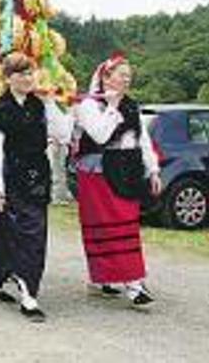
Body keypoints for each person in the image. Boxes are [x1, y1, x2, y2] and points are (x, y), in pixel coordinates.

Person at [0, 53, 73, 322]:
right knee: (3, 235)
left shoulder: (41, 105)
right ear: (8, 78)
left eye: (30, 73)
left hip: (36, 179)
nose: (27, 78)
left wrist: (51, 102)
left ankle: (29, 294)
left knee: (33, 236)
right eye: (20, 74)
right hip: (9, 178)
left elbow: (63, 135)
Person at [75, 54, 161, 306]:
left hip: (128, 171)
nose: (126, 79)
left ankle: (129, 282)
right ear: (105, 77)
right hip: (99, 174)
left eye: (128, 76)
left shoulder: (132, 105)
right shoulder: (90, 105)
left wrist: (153, 170)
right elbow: (100, 136)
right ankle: (112, 280)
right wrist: (111, 107)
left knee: (126, 225)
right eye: (121, 75)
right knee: (103, 227)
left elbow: (142, 139)